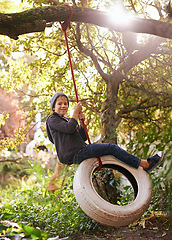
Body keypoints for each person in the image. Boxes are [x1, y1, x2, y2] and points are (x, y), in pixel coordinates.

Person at [46, 92, 164, 173]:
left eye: (65, 103)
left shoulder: (67, 120)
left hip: (79, 150)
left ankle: (135, 168)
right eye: (59, 104)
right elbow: (69, 129)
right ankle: (144, 164)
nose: (63, 106)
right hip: (74, 154)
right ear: (53, 107)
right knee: (111, 148)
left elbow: (83, 137)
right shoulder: (52, 119)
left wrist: (82, 123)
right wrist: (75, 114)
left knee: (110, 154)